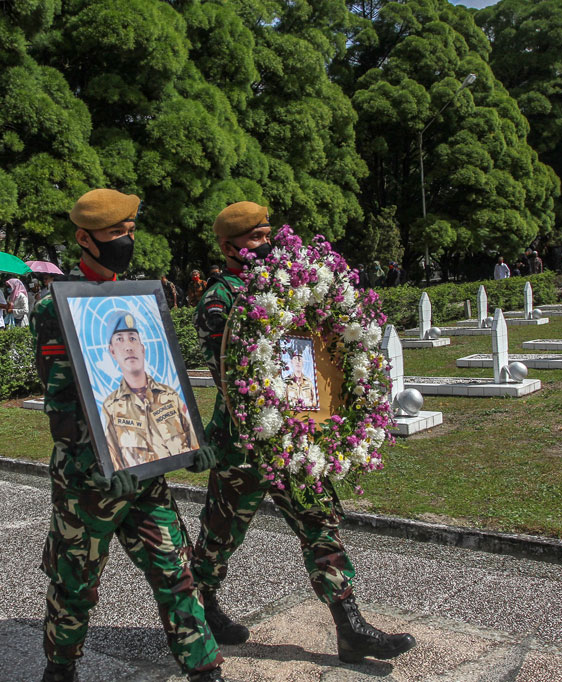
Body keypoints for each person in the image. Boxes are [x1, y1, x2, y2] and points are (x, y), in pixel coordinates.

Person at [191, 200, 416, 664]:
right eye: (254, 238)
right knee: (221, 533)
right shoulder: (220, 299)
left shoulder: (290, 284)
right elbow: (231, 375)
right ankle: (203, 605)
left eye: (267, 233)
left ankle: (349, 626)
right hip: (243, 444)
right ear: (229, 245)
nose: (265, 243)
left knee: (320, 522)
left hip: (296, 439)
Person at [31, 188, 225, 682]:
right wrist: (100, 458)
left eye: (130, 230)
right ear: (84, 238)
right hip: (88, 481)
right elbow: (61, 407)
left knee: (176, 575)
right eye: (116, 232)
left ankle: (205, 670)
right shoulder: (57, 306)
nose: (126, 239)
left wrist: (189, 440)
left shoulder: (138, 297)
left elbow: (163, 379)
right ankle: (60, 669)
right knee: (75, 584)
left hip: (145, 473)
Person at [101, 310, 199, 470]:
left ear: (142, 348)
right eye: (120, 340)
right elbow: (114, 462)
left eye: (133, 339)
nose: (128, 347)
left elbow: (194, 444)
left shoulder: (170, 396)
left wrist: (197, 459)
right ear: (112, 351)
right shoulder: (111, 407)